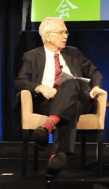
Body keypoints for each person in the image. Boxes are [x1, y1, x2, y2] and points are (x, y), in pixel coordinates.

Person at [14, 17, 103, 175]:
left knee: (70, 82)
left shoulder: (73, 52)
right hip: (49, 102)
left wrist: (96, 86)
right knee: (70, 107)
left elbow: (94, 72)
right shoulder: (32, 56)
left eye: (66, 32)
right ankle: (58, 155)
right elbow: (20, 82)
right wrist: (40, 87)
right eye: (61, 32)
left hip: (80, 98)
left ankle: (48, 125)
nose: (65, 36)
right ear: (48, 36)